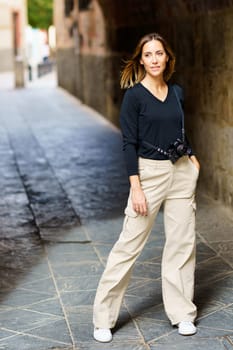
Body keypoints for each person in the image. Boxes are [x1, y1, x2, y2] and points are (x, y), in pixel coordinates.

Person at [93, 32, 200, 343]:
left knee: (181, 245)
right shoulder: (134, 96)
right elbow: (129, 143)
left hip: (181, 172)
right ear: (140, 59)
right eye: (148, 54)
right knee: (129, 245)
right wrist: (135, 187)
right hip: (148, 175)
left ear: (167, 58)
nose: (154, 59)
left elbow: (179, 128)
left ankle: (182, 314)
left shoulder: (177, 92)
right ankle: (103, 318)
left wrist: (193, 158)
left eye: (159, 53)